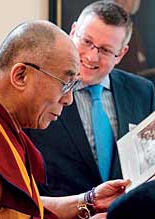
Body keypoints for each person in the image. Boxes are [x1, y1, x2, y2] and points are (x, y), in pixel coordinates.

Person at [0, 20, 129, 219]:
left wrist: (89, 201)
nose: (68, 99)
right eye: (65, 84)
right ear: (21, 76)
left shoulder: (1, 124)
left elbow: (22, 208)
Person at [25, 1, 155, 197]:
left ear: (121, 53)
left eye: (105, 50)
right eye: (86, 42)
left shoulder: (143, 92)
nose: (92, 57)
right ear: (73, 31)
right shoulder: (39, 90)